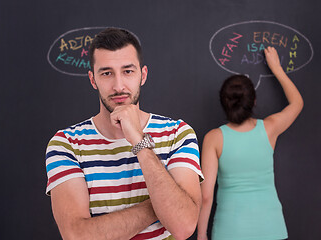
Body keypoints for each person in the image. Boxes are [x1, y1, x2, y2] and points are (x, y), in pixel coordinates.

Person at [45, 27, 203, 240]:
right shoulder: (66, 144)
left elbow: (184, 226)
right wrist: (160, 205)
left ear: (143, 75)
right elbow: (76, 236)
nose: (118, 86)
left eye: (128, 71)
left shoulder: (177, 133)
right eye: (107, 73)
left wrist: (138, 141)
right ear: (93, 80)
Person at [197, 46, 304, 240]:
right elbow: (297, 103)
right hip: (271, 228)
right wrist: (277, 68)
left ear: (223, 102)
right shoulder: (270, 128)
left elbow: (206, 196)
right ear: (253, 101)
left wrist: (201, 234)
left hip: (229, 230)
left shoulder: (213, 138)